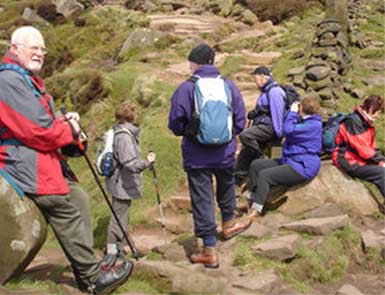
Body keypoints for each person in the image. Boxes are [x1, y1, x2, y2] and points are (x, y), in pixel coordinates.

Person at [0, 26, 132, 294]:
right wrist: (69, 130)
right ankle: (94, 279)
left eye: (42, 49)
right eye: (33, 48)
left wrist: (64, 124)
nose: (39, 54)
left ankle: (86, 270)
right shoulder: (9, 81)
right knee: (60, 201)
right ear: (15, 49)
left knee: (79, 196)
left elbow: (45, 124)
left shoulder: (26, 79)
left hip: (38, 157)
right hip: (20, 161)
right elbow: (37, 130)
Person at [168, 43, 252, 268]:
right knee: (225, 185)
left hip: (197, 155)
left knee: (202, 197)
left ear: (195, 63)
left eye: (190, 62)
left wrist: (190, 132)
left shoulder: (186, 88)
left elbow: (175, 123)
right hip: (225, 151)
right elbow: (240, 120)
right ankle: (229, 223)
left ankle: (209, 249)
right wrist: (228, 137)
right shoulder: (228, 86)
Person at [246, 95, 322, 217]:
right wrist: (293, 114)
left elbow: (288, 130)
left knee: (265, 176)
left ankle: (256, 210)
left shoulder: (313, 125)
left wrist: (292, 112)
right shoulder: (306, 120)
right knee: (256, 165)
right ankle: (250, 199)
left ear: (302, 108)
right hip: (290, 160)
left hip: (302, 166)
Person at [101, 102, 156, 268]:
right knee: (118, 217)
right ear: (131, 117)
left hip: (118, 181)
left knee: (122, 215)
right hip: (121, 184)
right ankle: (111, 252)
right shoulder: (124, 137)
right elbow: (129, 163)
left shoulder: (118, 131)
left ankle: (121, 247)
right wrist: (147, 162)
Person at [234, 66, 286, 186]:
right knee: (245, 152)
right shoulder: (267, 91)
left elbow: (277, 113)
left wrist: (278, 135)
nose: (255, 82)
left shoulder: (274, 92)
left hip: (270, 128)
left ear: (263, 77)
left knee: (245, 135)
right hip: (262, 126)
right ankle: (237, 181)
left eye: (255, 78)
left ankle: (261, 158)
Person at [332, 95, 385, 199]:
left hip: (358, 157)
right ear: (370, 109)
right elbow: (363, 149)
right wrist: (381, 161)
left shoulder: (364, 122)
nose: (378, 116)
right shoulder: (353, 122)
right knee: (381, 173)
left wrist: (380, 161)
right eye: (378, 112)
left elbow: (370, 147)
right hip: (347, 159)